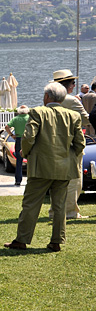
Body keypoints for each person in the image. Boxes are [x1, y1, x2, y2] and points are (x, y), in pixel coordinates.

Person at [4, 82, 84, 252]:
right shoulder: (73, 116)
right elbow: (80, 143)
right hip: (64, 168)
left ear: (47, 96)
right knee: (59, 206)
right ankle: (56, 241)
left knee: (31, 204)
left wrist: (25, 154)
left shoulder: (38, 112)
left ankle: (22, 239)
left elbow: (28, 137)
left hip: (41, 166)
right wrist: (69, 157)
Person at [52, 70, 90, 219]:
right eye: (73, 83)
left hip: (55, 143)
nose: (74, 85)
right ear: (67, 85)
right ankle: (70, 212)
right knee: (74, 180)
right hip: (72, 145)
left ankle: (55, 211)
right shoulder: (72, 100)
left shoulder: (49, 99)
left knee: (57, 181)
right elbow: (87, 119)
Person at [6, 105, 29, 187]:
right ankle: (30, 179)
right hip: (27, 139)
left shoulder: (16, 118)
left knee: (19, 160)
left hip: (18, 138)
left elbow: (7, 127)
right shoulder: (29, 118)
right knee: (30, 160)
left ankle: (18, 180)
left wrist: (11, 135)